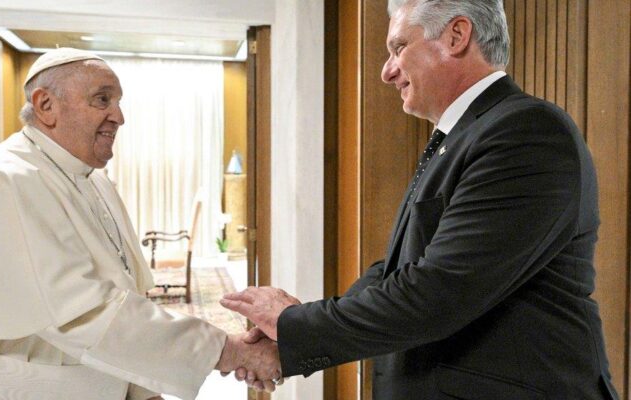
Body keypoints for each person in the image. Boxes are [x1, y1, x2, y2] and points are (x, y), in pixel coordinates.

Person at [222, 1, 620, 398]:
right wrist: (292, 337)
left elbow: (440, 289)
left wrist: (296, 326)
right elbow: (398, 271)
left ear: (456, 36)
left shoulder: (525, 132)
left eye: (398, 48)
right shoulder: (466, 135)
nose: (387, 70)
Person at [0, 47, 280, 400]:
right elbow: (82, 313)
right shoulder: (6, 181)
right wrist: (228, 351)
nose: (119, 116)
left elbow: (122, 298)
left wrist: (143, 392)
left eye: (118, 102)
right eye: (102, 100)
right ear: (46, 105)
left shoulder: (93, 178)